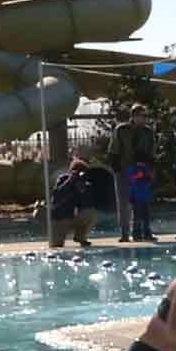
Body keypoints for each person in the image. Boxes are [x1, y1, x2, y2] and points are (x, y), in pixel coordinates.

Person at [107, 104, 155, 242]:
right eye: (141, 116)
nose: (143, 119)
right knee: (123, 202)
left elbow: (152, 152)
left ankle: (142, 231)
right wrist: (116, 167)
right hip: (123, 169)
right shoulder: (121, 130)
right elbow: (113, 150)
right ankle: (124, 232)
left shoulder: (148, 132)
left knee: (141, 200)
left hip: (140, 170)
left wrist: (149, 167)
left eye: (145, 116)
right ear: (133, 116)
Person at [49, 159, 96, 248]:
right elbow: (57, 195)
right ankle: (57, 235)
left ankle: (80, 236)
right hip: (59, 219)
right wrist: (69, 181)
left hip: (72, 218)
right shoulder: (63, 179)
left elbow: (87, 205)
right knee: (57, 246)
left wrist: (82, 188)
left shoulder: (84, 183)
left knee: (90, 213)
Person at [126, 153, 156, 242]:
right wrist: (138, 175)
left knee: (146, 217)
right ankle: (137, 234)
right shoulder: (132, 168)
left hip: (144, 196)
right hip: (137, 196)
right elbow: (131, 179)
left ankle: (146, 233)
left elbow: (150, 178)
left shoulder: (146, 168)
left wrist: (147, 174)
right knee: (137, 217)